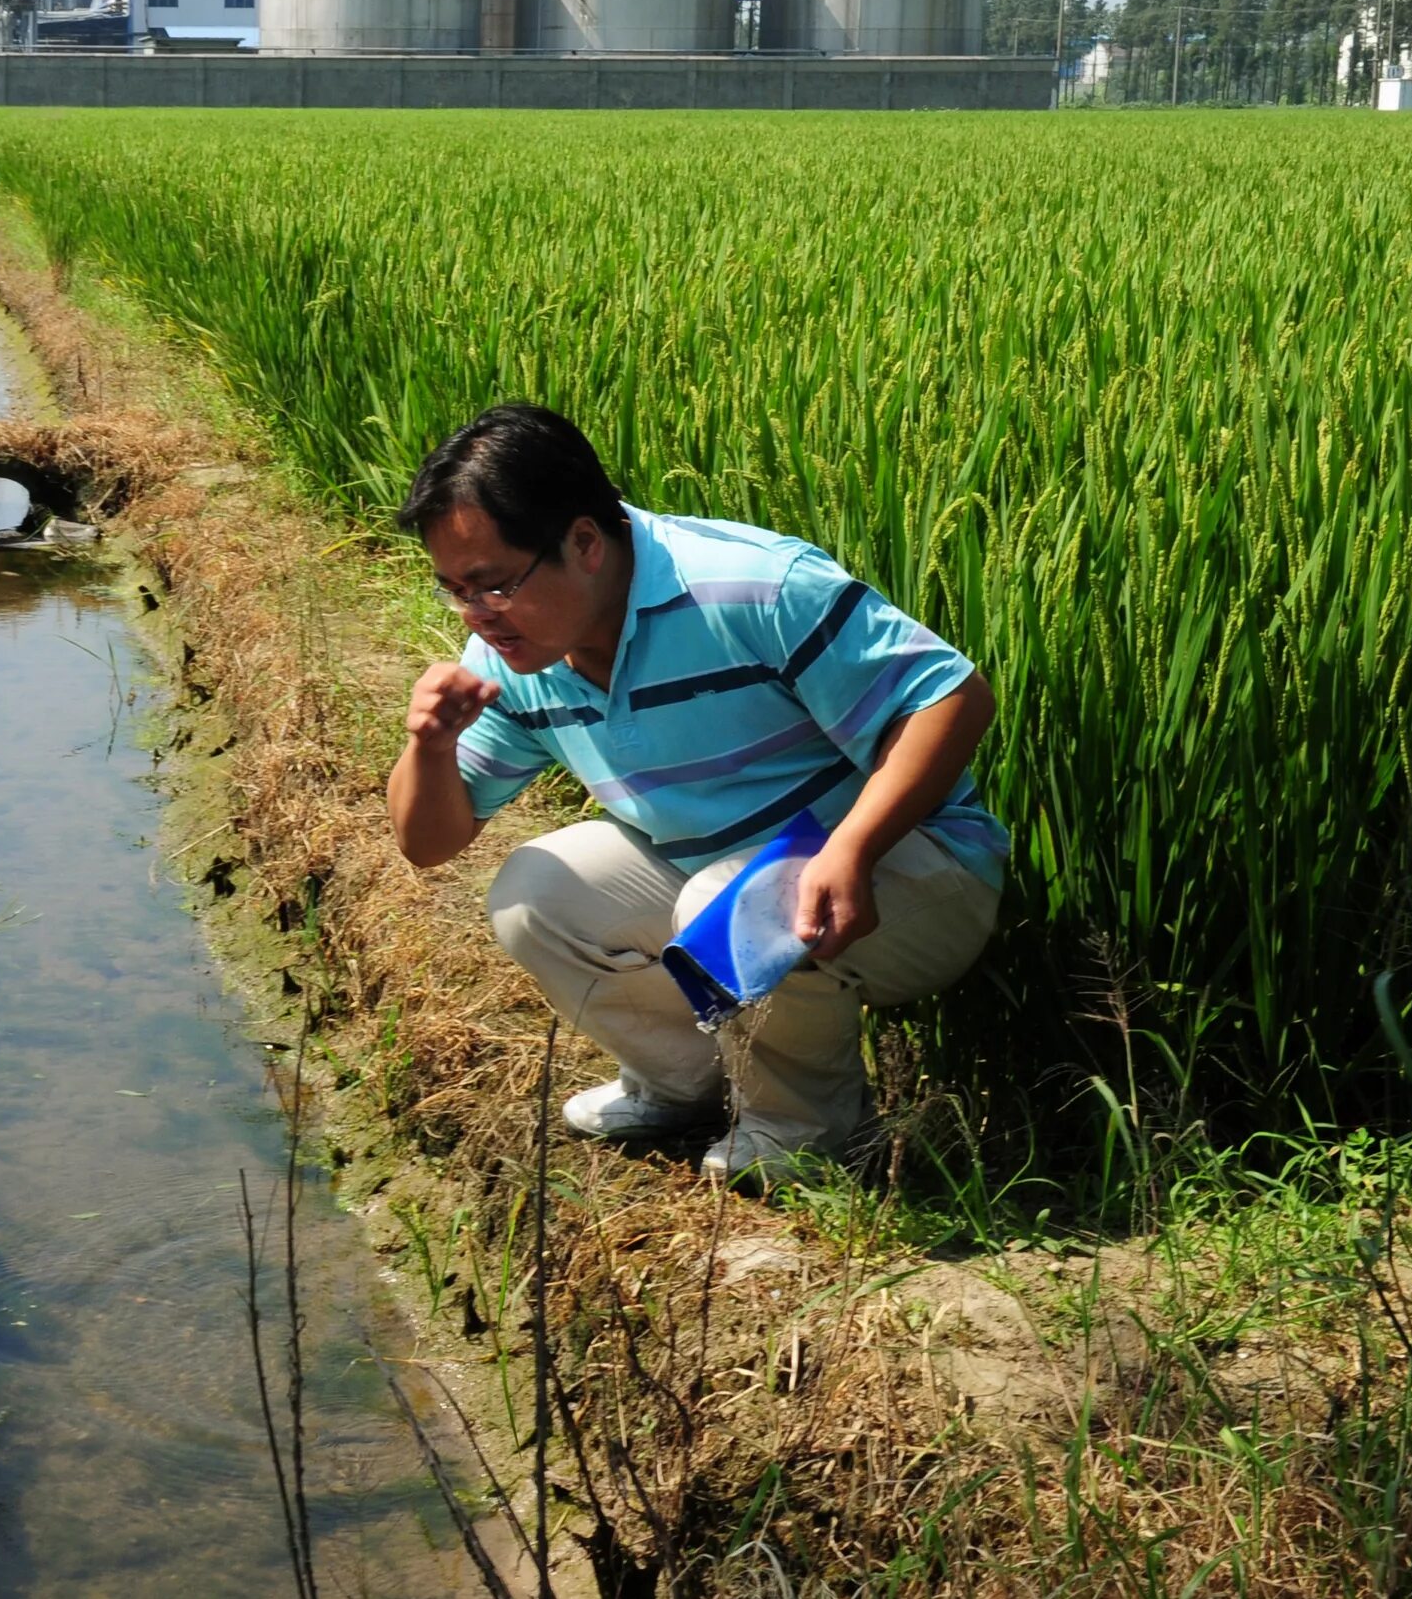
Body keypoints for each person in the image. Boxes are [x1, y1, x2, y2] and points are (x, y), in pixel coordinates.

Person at [383, 403, 1005, 1189]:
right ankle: (687, 1085)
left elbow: (953, 698)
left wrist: (852, 848)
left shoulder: (751, 588)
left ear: (583, 542)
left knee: (727, 899)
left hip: (918, 870)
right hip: (723, 871)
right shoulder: (512, 653)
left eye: (494, 585)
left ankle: (808, 1130)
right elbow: (428, 842)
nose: (477, 617)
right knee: (534, 893)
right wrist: (428, 746)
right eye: (455, 592)